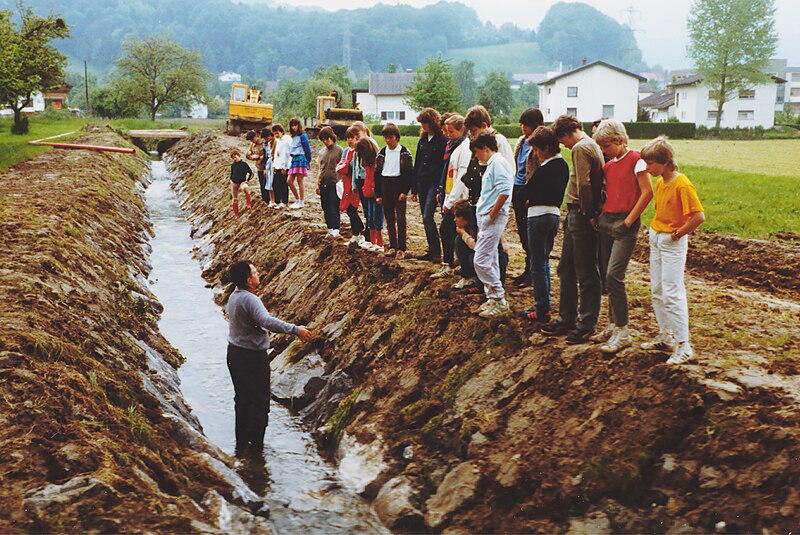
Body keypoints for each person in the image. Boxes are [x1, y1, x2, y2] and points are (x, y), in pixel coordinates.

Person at [226, 260, 312, 454]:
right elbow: (266, 321)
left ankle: (241, 447)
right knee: (259, 402)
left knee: (243, 401)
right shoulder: (250, 299)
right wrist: (295, 329)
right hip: (251, 358)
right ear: (248, 280)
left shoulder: (234, 296)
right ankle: (256, 451)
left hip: (235, 354)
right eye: (255, 272)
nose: (258, 274)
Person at [590, 120, 654, 353]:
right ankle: (612, 324)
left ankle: (624, 330)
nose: (605, 152)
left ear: (619, 140)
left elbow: (647, 192)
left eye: (606, 147)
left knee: (614, 275)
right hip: (607, 221)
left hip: (624, 223)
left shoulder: (636, 160)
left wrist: (628, 222)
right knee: (607, 276)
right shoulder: (609, 166)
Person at [640, 136, 705, 364]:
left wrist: (677, 234)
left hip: (671, 242)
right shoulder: (661, 182)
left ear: (666, 162)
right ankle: (666, 335)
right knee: (657, 289)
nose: (648, 168)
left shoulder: (682, 184)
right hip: (657, 238)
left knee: (672, 292)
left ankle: (683, 344)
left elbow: (698, 217)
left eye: (652, 164)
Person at [541, 115, 605, 344]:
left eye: (562, 141)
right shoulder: (591, 145)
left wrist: (589, 214)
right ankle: (566, 317)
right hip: (577, 213)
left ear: (567, 134)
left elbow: (585, 183)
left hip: (581, 213)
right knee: (566, 268)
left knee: (586, 270)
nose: (564, 147)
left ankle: (586, 323)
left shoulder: (580, 147)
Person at [520, 126, 569, 324]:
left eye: (538, 150)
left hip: (538, 216)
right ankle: (544, 304)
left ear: (547, 148)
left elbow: (527, 191)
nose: (536, 155)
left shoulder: (545, 168)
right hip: (554, 215)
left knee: (537, 263)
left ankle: (542, 308)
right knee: (544, 260)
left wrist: (526, 197)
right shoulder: (563, 166)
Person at [471, 132, 514, 318]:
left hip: (492, 219)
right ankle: (493, 298)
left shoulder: (498, 163)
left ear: (485, 148)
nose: (476, 156)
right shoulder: (492, 164)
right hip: (486, 217)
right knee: (491, 259)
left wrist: (492, 213)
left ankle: (499, 296)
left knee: (480, 260)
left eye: (477, 152)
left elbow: (505, 190)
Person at [432, 114, 470, 279]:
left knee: (448, 229)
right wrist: (442, 191)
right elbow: (447, 172)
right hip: (450, 193)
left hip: (459, 198)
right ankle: (456, 264)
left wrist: (450, 200)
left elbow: (461, 176)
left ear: (462, 130)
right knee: (452, 231)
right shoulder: (452, 145)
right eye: (446, 131)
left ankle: (451, 264)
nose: (448, 134)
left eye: (451, 131)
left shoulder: (464, 148)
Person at [511, 108, 544, 288]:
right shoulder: (521, 142)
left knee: (531, 233)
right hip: (518, 187)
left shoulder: (539, 144)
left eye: (526, 125)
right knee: (522, 231)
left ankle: (533, 270)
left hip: (528, 189)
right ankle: (528, 267)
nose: (523, 128)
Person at [410, 108, 448, 264]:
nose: (423, 126)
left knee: (428, 215)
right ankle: (432, 250)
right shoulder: (422, 140)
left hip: (434, 182)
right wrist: (414, 188)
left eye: (425, 122)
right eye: (421, 123)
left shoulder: (442, 141)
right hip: (422, 181)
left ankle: (437, 252)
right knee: (425, 218)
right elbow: (417, 164)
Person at [375, 123, 413, 259]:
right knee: (389, 218)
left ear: (396, 137)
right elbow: (377, 173)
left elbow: (409, 173)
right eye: (385, 137)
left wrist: (405, 191)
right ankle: (392, 246)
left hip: (398, 184)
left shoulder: (404, 152)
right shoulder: (381, 153)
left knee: (401, 219)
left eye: (390, 137)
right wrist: (378, 194)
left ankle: (401, 248)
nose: (387, 140)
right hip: (386, 185)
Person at [337, 126, 367, 246]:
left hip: (355, 182)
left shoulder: (360, 151)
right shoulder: (346, 151)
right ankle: (355, 233)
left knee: (353, 207)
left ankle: (362, 232)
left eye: (352, 138)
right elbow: (341, 164)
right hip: (346, 182)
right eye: (348, 138)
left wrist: (346, 167)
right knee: (348, 208)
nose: (350, 140)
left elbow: (354, 167)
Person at [355, 137, 384, 252]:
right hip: (368, 191)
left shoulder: (377, 162)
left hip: (376, 192)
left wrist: (377, 191)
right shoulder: (365, 162)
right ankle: (373, 242)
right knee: (370, 216)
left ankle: (380, 243)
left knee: (378, 217)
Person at [316, 127, 343, 239]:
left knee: (333, 206)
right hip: (324, 183)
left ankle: (336, 230)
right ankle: (330, 229)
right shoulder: (322, 152)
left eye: (327, 139)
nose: (325, 142)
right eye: (323, 140)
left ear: (332, 137)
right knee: (325, 206)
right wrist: (317, 183)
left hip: (335, 183)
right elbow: (320, 168)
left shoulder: (340, 150)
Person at [287, 118, 312, 209]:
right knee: (289, 181)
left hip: (301, 158)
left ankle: (301, 201)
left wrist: (308, 160)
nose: (294, 127)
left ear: (299, 125)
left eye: (295, 125)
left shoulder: (303, 136)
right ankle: (297, 199)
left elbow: (307, 149)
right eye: (292, 126)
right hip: (294, 159)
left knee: (299, 180)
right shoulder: (293, 137)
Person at [271, 123, 291, 208]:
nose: (276, 135)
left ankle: (284, 201)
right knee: (275, 183)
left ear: (282, 132)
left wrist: (284, 167)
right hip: (278, 165)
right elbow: (276, 154)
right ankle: (277, 201)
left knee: (283, 183)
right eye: (274, 133)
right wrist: (274, 165)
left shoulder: (286, 140)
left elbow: (286, 154)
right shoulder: (278, 141)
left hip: (284, 166)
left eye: (277, 133)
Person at [229, 149, 253, 219]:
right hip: (234, 182)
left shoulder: (244, 164)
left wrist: (247, 180)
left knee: (245, 188)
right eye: (233, 158)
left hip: (242, 181)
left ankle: (248, 203)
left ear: (239, 156)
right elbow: (232, 173)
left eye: (235, 157)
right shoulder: (233, 165)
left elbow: (251, 173)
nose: (235, 159)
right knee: (235, 199)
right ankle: (236, 214)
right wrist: (231, 180)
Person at [245, 131, 265, 203]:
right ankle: (264, 199)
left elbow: (266, 154)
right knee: (262, 183)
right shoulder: (252, 145)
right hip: (259, 167)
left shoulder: (263, 143)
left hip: (265, 166)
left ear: (256, 136)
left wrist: (259, 157)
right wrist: (252, 156)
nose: (252, 141)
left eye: (253, 139)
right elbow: (248, 155)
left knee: (267, 184)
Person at [260, 128, 276, 206]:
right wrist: (264, 168)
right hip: (268, 164)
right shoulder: (266, 144)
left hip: (275, 163)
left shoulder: (276, 142)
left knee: (275, 182)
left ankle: (276, 200)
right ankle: (271, 200)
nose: (266, 139)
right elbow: (265, 157)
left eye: (266, 137)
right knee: (269, 182)